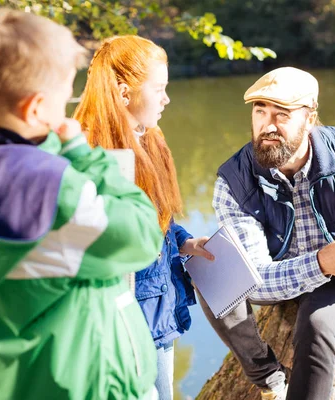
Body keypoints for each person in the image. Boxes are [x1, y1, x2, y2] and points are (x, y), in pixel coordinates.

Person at [0, 10, 163, 400]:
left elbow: (18, 160)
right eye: (63, 96)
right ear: (37, 109)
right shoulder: (55, 195)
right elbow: (142, 235)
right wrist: (82, 153)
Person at [201, 67, 335, 400]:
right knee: (209, 269)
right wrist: (319, 263)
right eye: (260, 112)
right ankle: (268, 374)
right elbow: (255, 276)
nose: (268, 125)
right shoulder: (233, 181)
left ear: (310, 117)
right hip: (278, 271)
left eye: (282, 115)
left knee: (317, 322)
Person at [73, 35, 214, 400]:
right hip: (124, 327)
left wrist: (182, 240)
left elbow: (153, 221)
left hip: (156, 312)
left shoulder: (147, 137)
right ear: (124, 93)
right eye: (159, 89)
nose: (166, 99)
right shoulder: (93, 158)